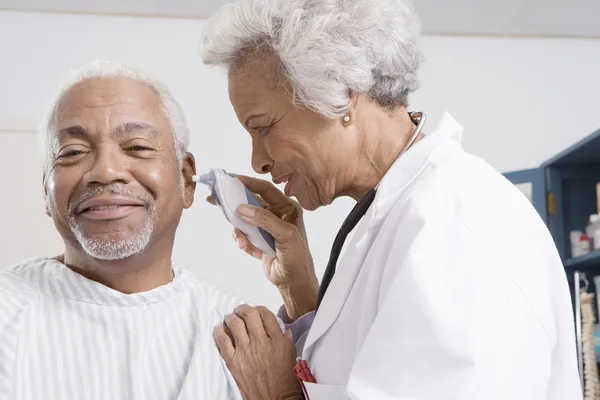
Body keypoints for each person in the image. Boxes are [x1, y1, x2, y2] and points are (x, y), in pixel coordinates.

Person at [201, 0, 583, 399]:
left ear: (342, 93)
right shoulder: (396, 214)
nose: (257, 161)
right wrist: (299, 289)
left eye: (263, 127)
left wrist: (275, 392)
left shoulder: (454, 226)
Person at [0, 60, 300, 400]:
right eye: (73, 152)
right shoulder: (7, 312)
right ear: (46, 190)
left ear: (186, 180)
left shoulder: (251, 342)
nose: (106, 170)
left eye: (138, 147)